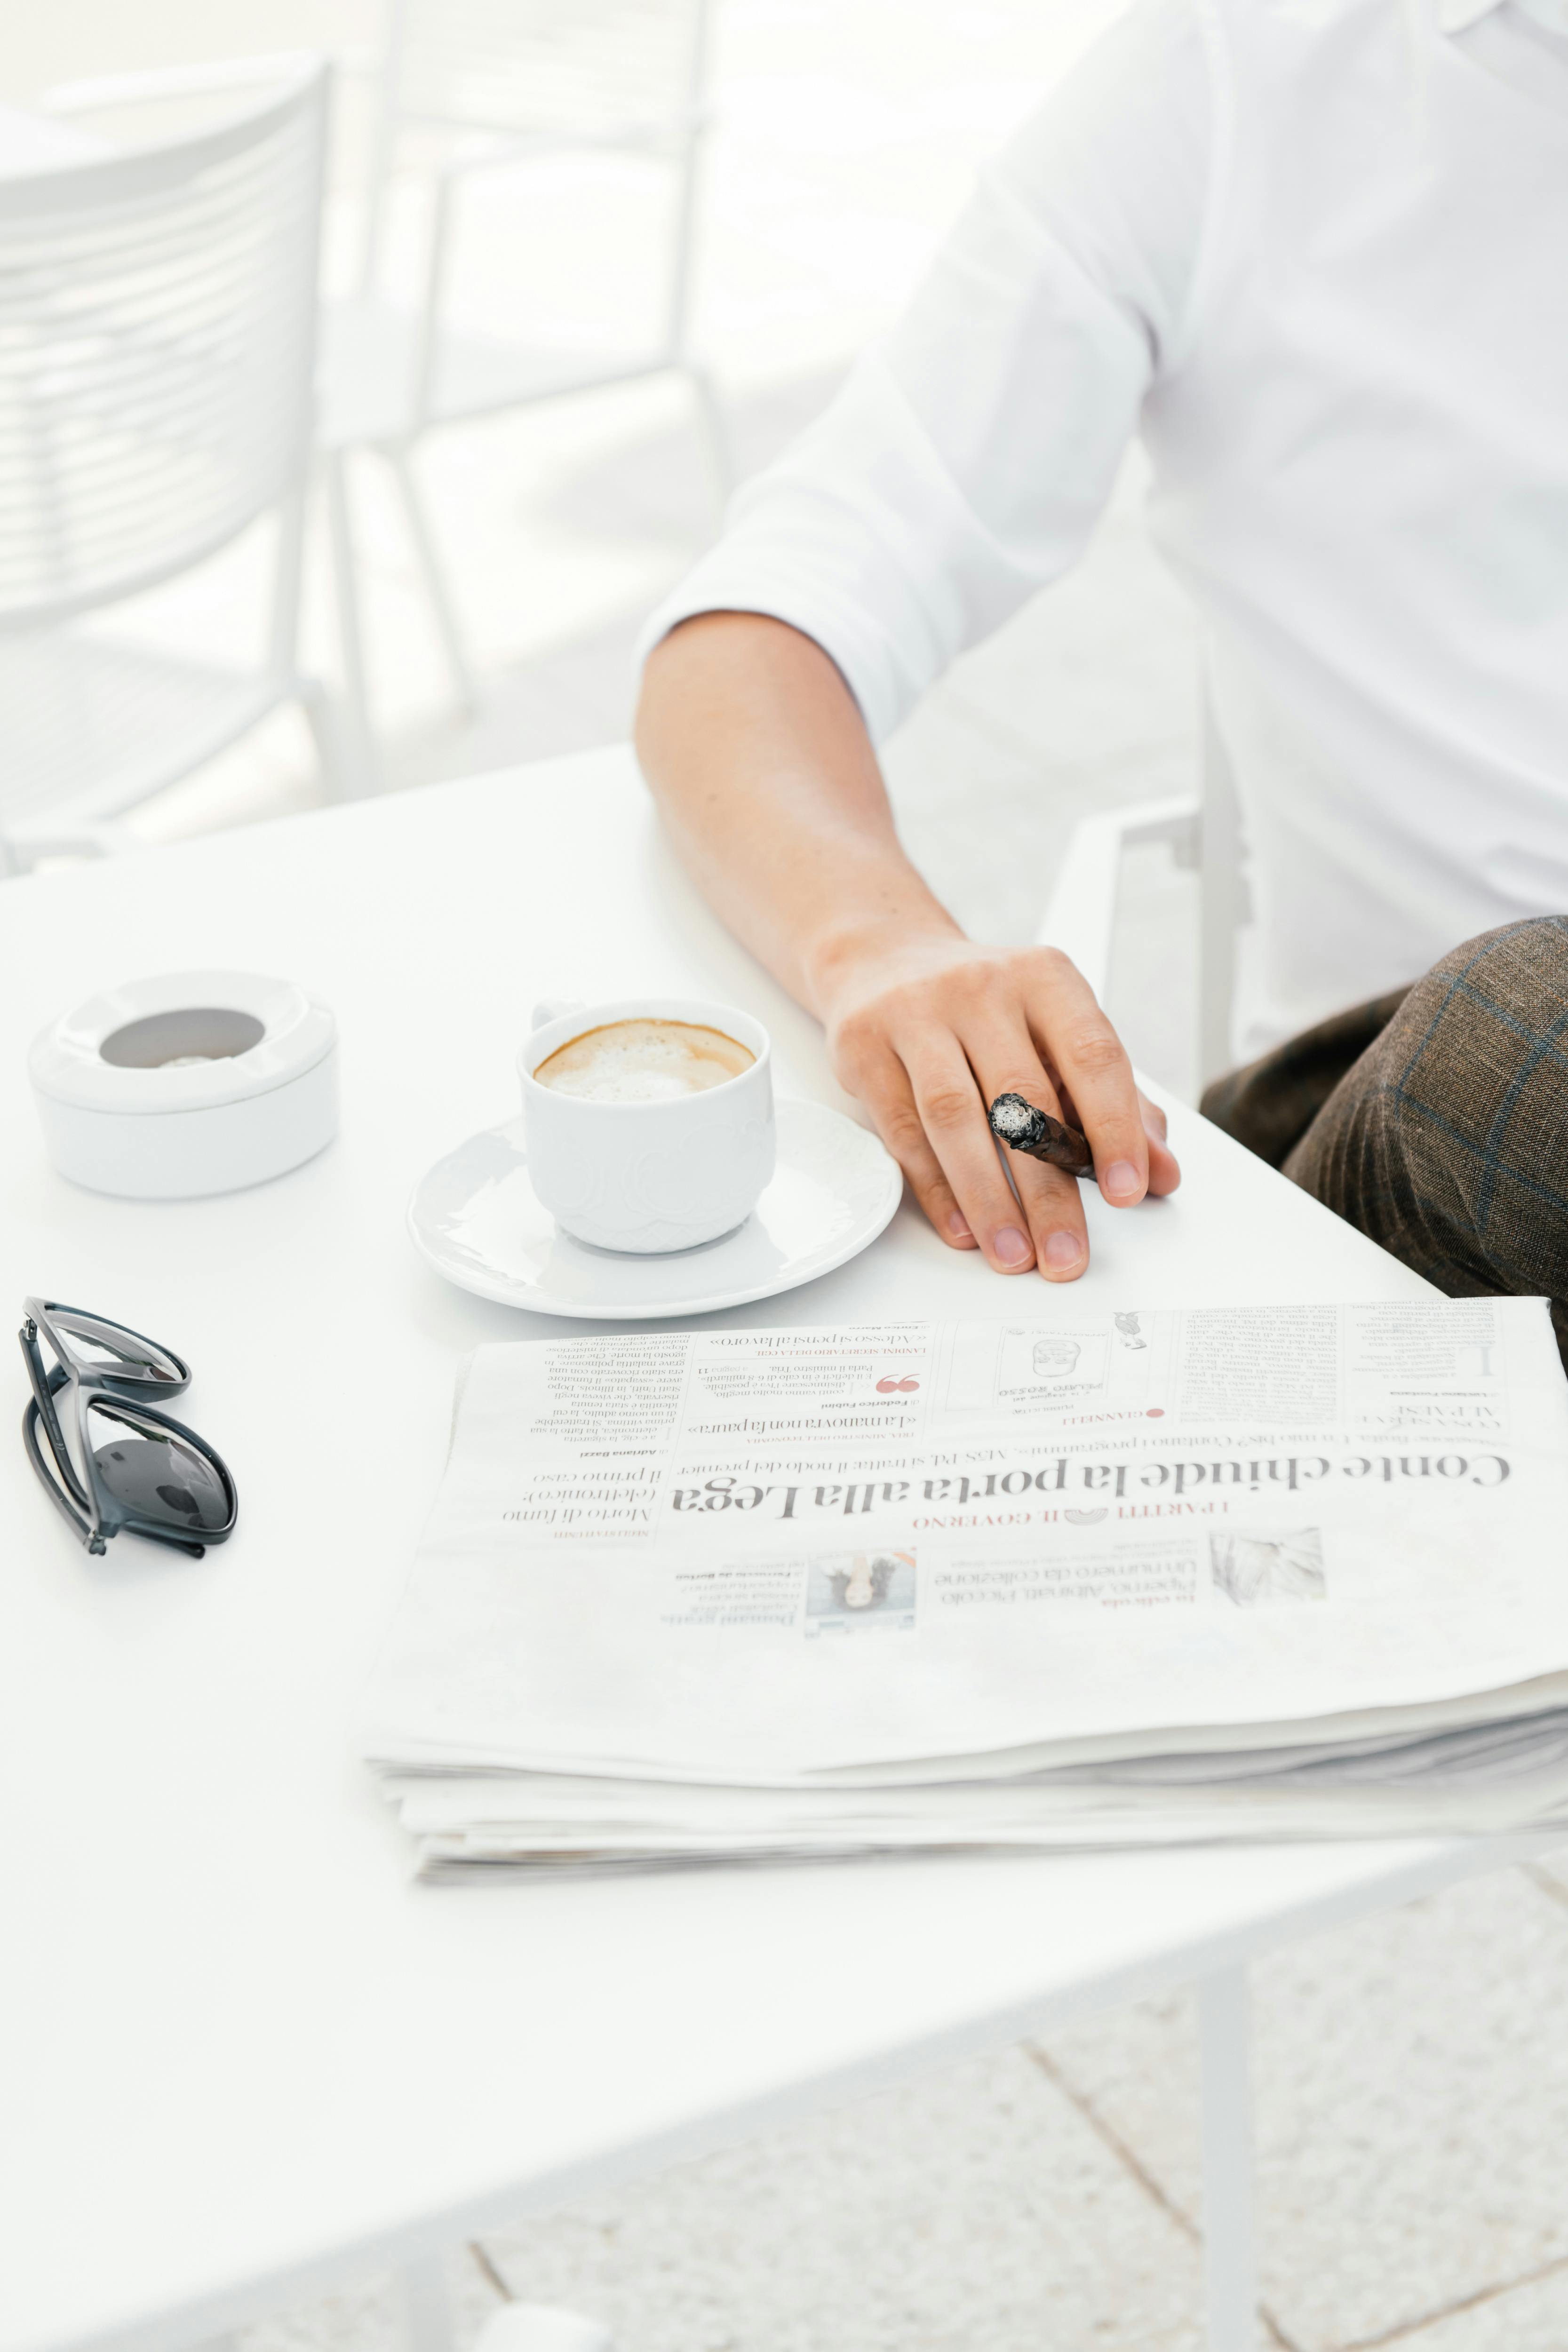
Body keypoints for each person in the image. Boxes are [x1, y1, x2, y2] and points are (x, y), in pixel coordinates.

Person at [633, 0, 1568, 1337]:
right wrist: (881, 947)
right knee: (1538, 1031)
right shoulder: (1229, 78)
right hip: (1436, 1131)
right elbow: (761, 627)